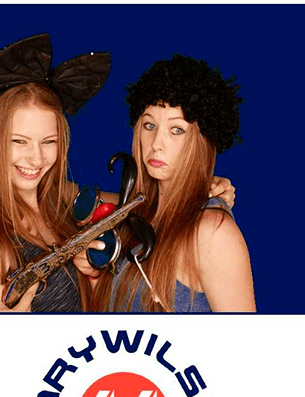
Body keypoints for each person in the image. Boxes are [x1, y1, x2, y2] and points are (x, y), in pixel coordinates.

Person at [0, 34, 111, 312]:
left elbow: (147, 209)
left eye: (48, 142)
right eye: (19, 141)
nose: (36, 158)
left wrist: (96, 268)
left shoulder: (60, 199)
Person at [92, 54, 254, 313]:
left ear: (202, 141)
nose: (157, 143)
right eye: (149, 125)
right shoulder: (136, 213)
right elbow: (57, 195)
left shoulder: (212, 233)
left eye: (176, 130)